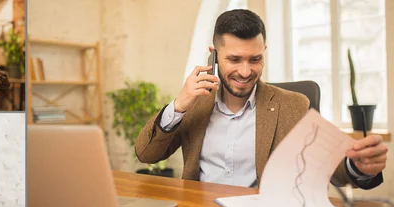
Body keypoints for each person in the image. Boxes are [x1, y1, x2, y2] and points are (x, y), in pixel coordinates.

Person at [135, 9, 385, 190]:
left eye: (255, 59)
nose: (245, 72)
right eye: (234, 59)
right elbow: (146, 154)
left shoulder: (294, 106)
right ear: (213, 55)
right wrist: (177, 106)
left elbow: (332, 167)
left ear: (263, 53)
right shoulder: (194, 103)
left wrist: (358, 166)